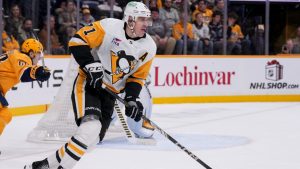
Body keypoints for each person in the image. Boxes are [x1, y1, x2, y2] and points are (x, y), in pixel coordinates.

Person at [25, 1, 156, 169]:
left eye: (147, 20)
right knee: (90, 129)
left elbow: (137, 78)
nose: (146, 24)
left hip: (110, 94)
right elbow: (77, 41)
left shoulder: (149, 47)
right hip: (89, 85)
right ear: (130, 20)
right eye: (142, 19)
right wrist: (89, 64)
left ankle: (43, 165)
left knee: (92, 141)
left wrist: (131, 99)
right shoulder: (108, 27)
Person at [0, 39, 50, 139]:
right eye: (38, 54)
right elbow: (24, 74)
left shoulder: (16, 55)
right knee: (5, 114)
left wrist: (37, 71)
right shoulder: (22, 57)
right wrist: (38, 72)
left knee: (4, 114)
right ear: (31, 53)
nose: (40, 58)